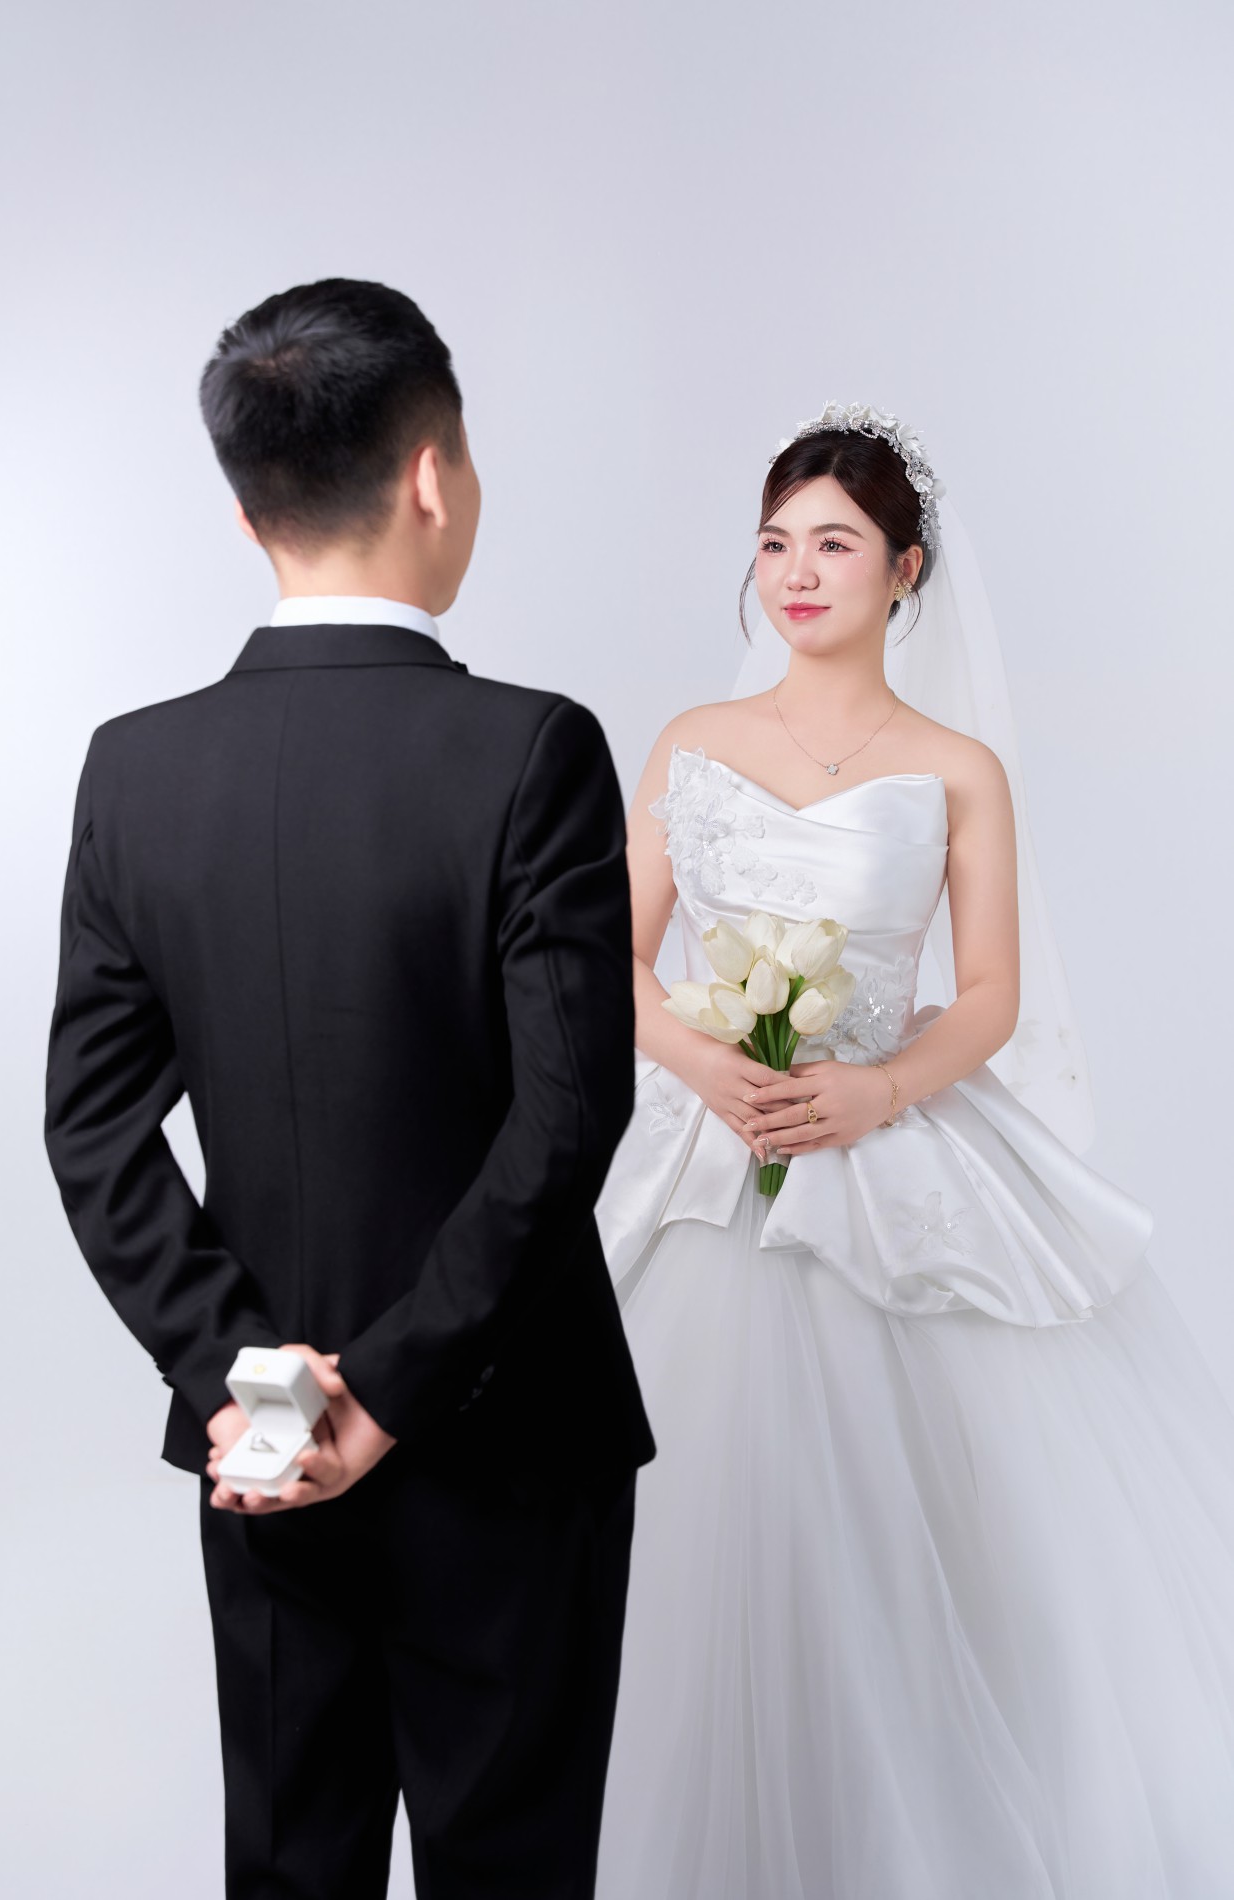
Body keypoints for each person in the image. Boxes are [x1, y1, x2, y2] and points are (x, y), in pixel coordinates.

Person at [43, 276, 655, 1900]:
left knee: (291, 1868)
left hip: (260, 1443)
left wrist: (257, 1384)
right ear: (434, 477)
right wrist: (381, 1390)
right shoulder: (533, 748)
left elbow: (93, 1129)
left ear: (247, 511)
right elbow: (570, 1114)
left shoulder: (134, 768)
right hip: (509, 1436)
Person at [591, 402, 1234, 1898]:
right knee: (681, 1538)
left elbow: (992, 993)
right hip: (706, 1153)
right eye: (775, 545)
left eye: (835, 544)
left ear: (906, 569)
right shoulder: (692, 744)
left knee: (934, 1558)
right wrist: (709, 1065)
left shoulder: (957, 768)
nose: (797, 574)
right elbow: (608, 959)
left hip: (886, 1145)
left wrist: (877, 1093)